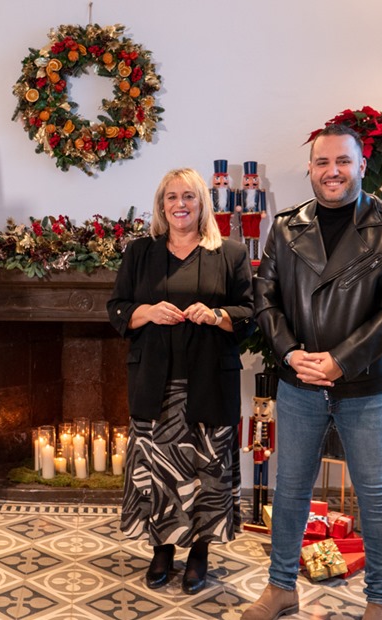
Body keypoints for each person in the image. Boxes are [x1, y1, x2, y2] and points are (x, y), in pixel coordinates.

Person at [244, 124, 382, 620]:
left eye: (342, 162)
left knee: (376, 495)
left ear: (362, 166)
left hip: (369, 386)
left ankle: (379, 602)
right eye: (322, 163)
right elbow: (266, 296)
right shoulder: (285, 227)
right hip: (301, 381)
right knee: (291, 489)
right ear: (310, 169)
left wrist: (341, 359)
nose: (332, 172)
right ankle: (281, 587)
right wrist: (289, 352)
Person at [107, 167, 254, 595]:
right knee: (157, 470)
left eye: (188, 196)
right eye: (171, 197)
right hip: (155, 384)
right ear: (161, 205)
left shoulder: (230, 254)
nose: (180, 205)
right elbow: (116, 308)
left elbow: (249, 314)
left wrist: (217, 315)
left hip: (210, 383)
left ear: (202, 203)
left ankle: (200, 553)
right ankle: (162, 550)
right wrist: (148, 311)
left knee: (207, 470)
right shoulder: (141, 253)